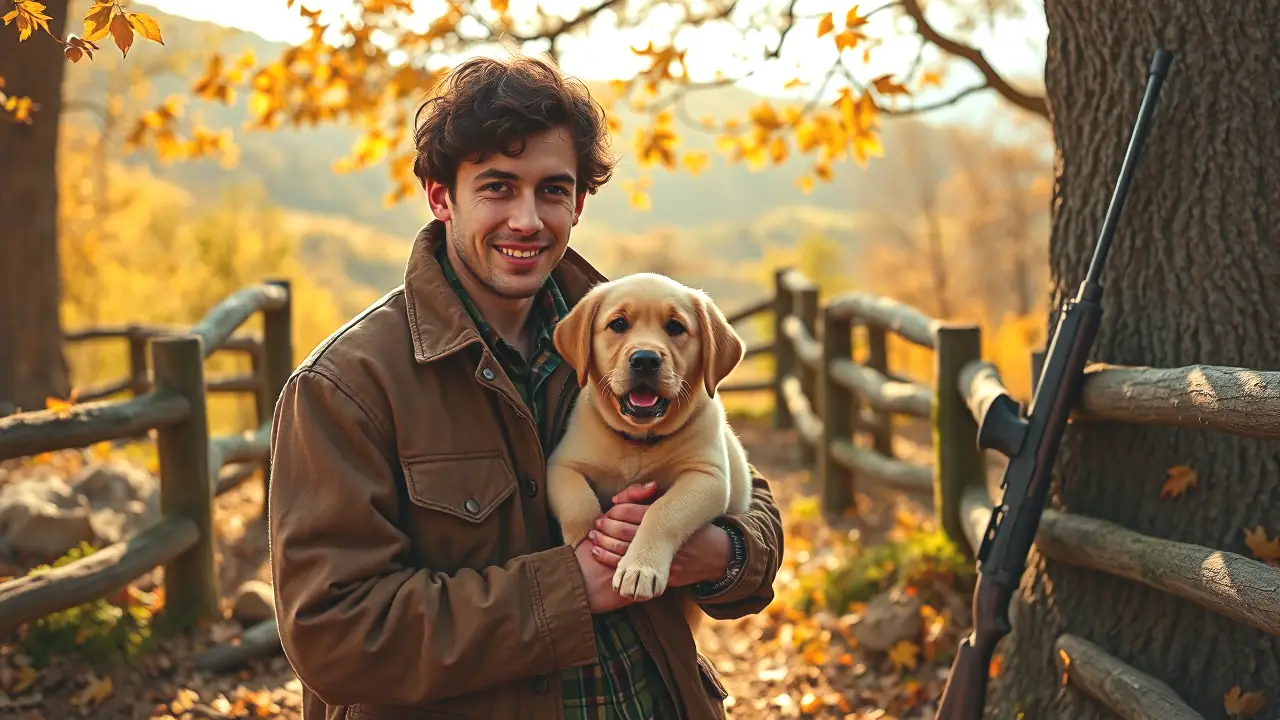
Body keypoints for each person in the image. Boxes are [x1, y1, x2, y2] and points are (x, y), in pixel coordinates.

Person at [267, 52, 784, 720]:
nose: (527, 220)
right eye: (497, 187)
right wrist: (568, 590)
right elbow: (333, 635)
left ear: (579, 201)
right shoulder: (345, 387)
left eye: (552, 190)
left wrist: (719, 551)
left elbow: (746, 489)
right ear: (440, 195)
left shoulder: (629, 336)